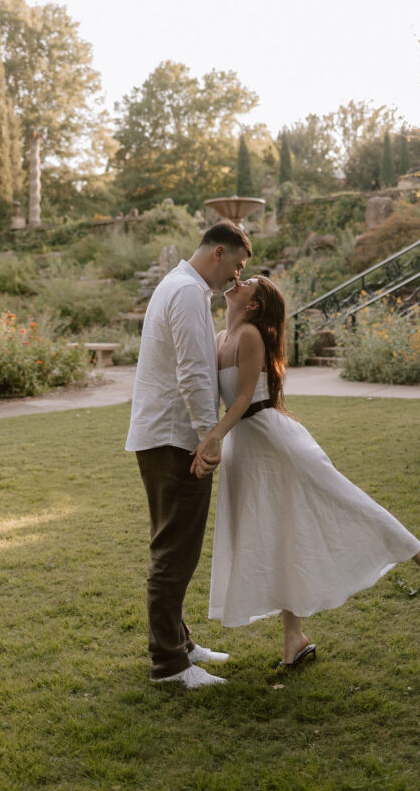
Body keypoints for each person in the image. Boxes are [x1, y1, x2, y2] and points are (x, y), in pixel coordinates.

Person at [191, 276, 420, 667]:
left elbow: (244, 398)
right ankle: (294, 639)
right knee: (279, 537)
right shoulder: (218, 338)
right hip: (246, 449)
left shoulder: (248, 335)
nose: (238, 280)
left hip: (275, 443)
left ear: (254, 304)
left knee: (346, 504)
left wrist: (212, 438)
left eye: (249, 282)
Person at [125, 221, 252, 688]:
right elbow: (194, 372)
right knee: (173, 552)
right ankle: (169, 665)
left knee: (177, 546)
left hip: (170, 436)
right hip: (175, 439)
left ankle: (180, 642)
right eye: (237, 266)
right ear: (218, 253)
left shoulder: (180, 286)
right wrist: (209, 437)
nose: (237, 280)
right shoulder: (186, 292)